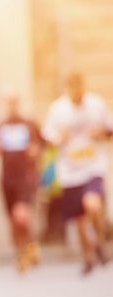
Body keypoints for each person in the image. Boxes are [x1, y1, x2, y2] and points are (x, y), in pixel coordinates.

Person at [42, 73, 113, 275]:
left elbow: (110, 131)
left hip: (93, 166)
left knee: (93, 204)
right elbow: (47, 138)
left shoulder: (96, 105)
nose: (76, 93)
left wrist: (101, 134)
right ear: (67, 89)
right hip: (70, 171)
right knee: (79, 221)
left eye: (79, 89)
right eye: (72, 89)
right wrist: (59, 138)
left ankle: (99, 242)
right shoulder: (58, 109)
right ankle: (88, 257)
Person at [0, 93, 42, 272]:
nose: (12, 106)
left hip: (25, 176)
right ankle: (21, 252)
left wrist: (34, 151)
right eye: (8, 102)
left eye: (14, 102)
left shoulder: (29, 125)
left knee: (22, 216)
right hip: (7, 178)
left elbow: (42, 145)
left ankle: (30, 244)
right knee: (13, 220)